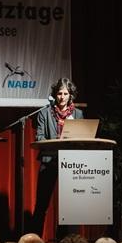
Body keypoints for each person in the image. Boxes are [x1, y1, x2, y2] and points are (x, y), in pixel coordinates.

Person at [30, 77, 84, 233]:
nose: (62, 97)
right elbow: (39, 138)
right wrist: (57, 141)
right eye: (59, 93)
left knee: (71, 206)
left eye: (65, 93)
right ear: (55, 94)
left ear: (70, 95)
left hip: (71, 163)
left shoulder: (78, 114)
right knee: (41, 205)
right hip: (49, 161)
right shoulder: (44, 113)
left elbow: (81, 138)